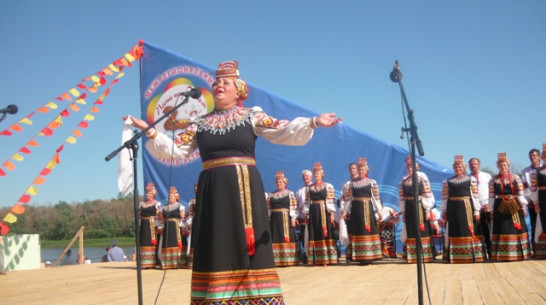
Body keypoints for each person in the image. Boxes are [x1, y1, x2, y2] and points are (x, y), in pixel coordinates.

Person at [123, 60, 341, 304]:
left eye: (225, 82)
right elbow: (175, 149)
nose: (219, 85)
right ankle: (216, 298)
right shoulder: (199, 123)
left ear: (238, 90)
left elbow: (283, 129)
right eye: (216, 82)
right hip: (212, 192)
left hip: (244, 189)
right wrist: (151, 131)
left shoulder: (251, 116)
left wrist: (313, 122)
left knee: (245, 244)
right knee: (216, 242)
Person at [441, 155, 486, 263]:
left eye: (460, 167)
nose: (458, 169)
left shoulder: (471, 180)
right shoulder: (447, 182)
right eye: (456, 167)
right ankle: (455, 256)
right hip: (453, 209)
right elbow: (444, 198)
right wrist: (444, 211)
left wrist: (476, 211)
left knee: (468, 230)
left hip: (467, 209)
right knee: (454, 230)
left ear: (464, 168)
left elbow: (475, 196)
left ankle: (470, 255)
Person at [488, 152, 531, 261]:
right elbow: (491, 196)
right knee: (502, 227)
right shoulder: (493, 180)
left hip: (514, 204)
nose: (503, 167)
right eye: (501, 165)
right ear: (497, 166)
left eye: (505, 165)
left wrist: (523, 206)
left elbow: (520, 193)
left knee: (515, 227)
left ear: (508, 165)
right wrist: (491, 210)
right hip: (499, 205)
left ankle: (518, 253)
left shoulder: (516, 178)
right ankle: (503, 254)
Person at [341, 157, 383, 264]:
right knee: (358, 230)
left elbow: (375, 198)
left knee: (368, 230)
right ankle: (360, 257)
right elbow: (348, 199)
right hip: (356, 210)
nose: (360, 171)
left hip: (368, 209)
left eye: (362, 169)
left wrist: (379, 211)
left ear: (366, 170)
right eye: (359, 169)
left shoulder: (372, 182)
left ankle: (371, 256)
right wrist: (345, 212)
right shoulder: (351, 184)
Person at [398, 155, 436, 263]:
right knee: (411, 230)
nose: (410, 169)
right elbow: (401, 197)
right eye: (408, 167)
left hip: (420, 206)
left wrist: (427, 209)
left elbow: (427, 193)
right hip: (409, 207)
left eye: (412, 167)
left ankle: (426, 255)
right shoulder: (403, 180)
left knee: (422, 229)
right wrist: (404, 212)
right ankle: (412, 256)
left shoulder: (422, 177)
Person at [302, 162, 339, 266]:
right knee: (315, 232)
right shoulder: (309, 188)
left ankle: (327, 258)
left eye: (318, 174)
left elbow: (331, 200)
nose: (316, 176)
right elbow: (307, 202)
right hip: (313, 212)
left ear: (322, 174)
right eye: (315, 174)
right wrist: (306, 215)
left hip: (324, 212)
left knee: (325, 232)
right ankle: (316, 258)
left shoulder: (328, 186)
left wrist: (331, 213)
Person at [267, 171, 299, 267]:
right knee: (276, 236)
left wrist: (293, 218)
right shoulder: (271, 195)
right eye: (277, 182)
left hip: (286, 218)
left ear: (285, 183)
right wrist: (268, 218)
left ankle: (289, 260)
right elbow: (268, 207)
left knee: (286, 237)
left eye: (280, 182)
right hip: (275, 220)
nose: (278, 183)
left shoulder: (290, 194)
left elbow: (293, 206)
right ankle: (277, 260)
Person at [468, 157, 493, 259]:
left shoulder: (487, 176)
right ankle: (479, 254)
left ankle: (491, 252)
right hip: (474, 208)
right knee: (476, 231)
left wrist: (489, 204)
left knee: (488, 230)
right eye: (471, 164)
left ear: (479, 165)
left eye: (475, 164)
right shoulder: (467, 178)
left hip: (486, 206)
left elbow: (491, 191)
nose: (473, 166)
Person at [157, 186, 186, 269]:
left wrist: (183, 228)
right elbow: (162, 219)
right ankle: (167, 263)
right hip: (167, 228)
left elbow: (183, 218)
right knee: (166, 243)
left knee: (175, 243)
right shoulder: (164, 207)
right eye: (169, 196)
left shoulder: (180, 206)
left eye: (172, 196)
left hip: (175, 227)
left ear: (176, 197)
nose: (170, 197)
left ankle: (176, 263)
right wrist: (161, 228)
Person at [521, 148, 542, 257]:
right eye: (530, 156)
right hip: (532, 203)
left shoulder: (544, 169)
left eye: (534, 155)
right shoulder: (525, 171)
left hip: (544, 199)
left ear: (539, 157)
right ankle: (536, 249)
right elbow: (525, 188)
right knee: (534, 225)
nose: (532, 158)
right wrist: (534, 200)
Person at [530, 143, 546, 259]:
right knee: (543, 222)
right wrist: (535, 202)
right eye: (544, 156)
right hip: (543, 197)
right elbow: (533, 188)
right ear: (542, 158)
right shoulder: (536, 172)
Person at [139, 182, 161, 269]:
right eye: (147, 193)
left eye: (150, 193)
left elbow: (159, 216)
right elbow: (139, 216)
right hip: (144, 225)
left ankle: (153, 263)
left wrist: (159, 227)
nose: (148, 194)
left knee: (152, 242)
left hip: (152, 225)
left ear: (153, 194)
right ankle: (145, 262)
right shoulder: (142, 204)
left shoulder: (156, 203)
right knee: (144, 241)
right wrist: (139, 225)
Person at [295, 169, 313, 264]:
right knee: (303, 237)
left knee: (312, 236)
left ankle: (313, 255)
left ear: (311, 177)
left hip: (313, 217)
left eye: (307, 176)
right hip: (302, 218)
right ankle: (306, 255)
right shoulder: (299, 191)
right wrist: (296, 217)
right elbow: (296, 205)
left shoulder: (315, 188)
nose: (305, 178)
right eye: (304, 176)